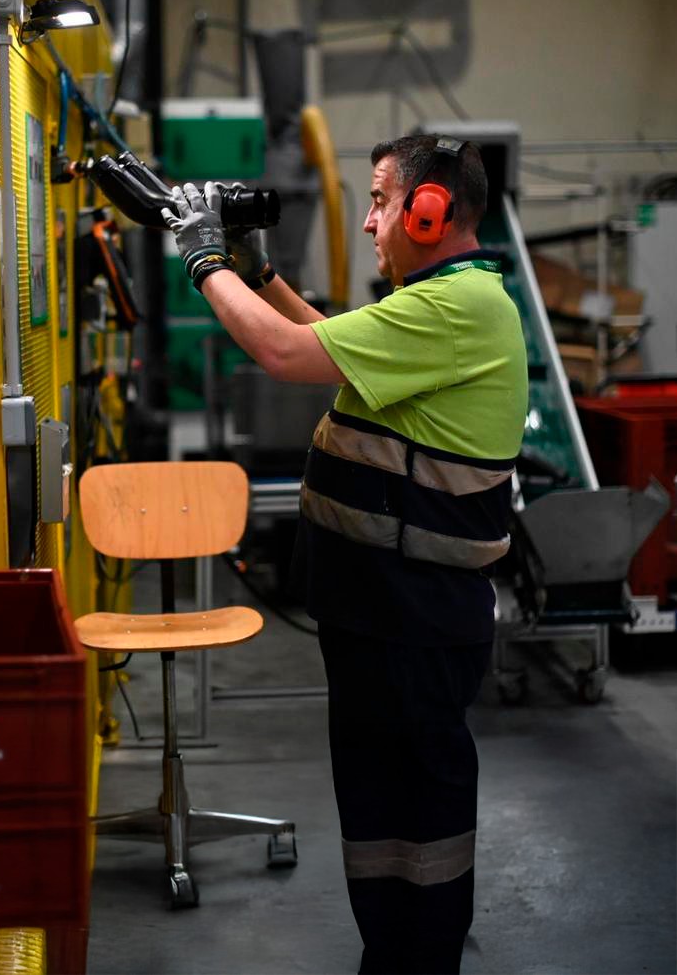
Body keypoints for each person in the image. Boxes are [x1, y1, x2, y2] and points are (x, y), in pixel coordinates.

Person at [162, 134, 528, 975]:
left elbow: (286, 354)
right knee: (379, 807)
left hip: (415, 611)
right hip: (385, 609)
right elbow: (336, 345)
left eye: (379, 201)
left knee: (415, 809)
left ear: (429, 212)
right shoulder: (440, 301)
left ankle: (419, 959)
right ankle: (394, 953)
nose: (368, 222)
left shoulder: (459, 306)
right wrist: (258, 274)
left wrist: (202, 259)